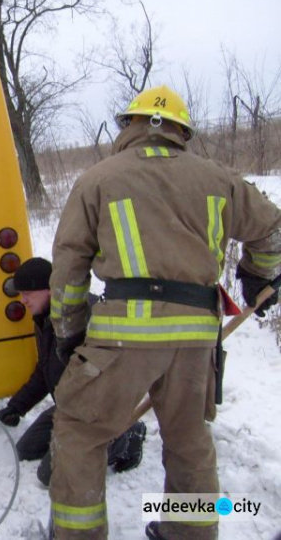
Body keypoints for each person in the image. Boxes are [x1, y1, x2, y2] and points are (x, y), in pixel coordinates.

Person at [47, 85, 281, 540]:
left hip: (122, 338)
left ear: (131, 125)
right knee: (188, 439)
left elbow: (69, 268)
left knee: (79, 430)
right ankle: (190, 533)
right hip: (195, 339)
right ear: (180, 131)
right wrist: (257, 277)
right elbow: (271, 229)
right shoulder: (218, 178)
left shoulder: (98, 179)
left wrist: (69, 332)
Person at [0, 258, 146, 486]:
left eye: (28, 293)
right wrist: (17, 406)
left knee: (50, 475)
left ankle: (126, 437)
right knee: (26, 450)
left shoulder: (83, 315)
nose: (23, 300)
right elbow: (45, 370)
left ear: (49, 289)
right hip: (68, 405)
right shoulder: (44, 320)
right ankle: (70, 443)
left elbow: (115, 365)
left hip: (97, 407)